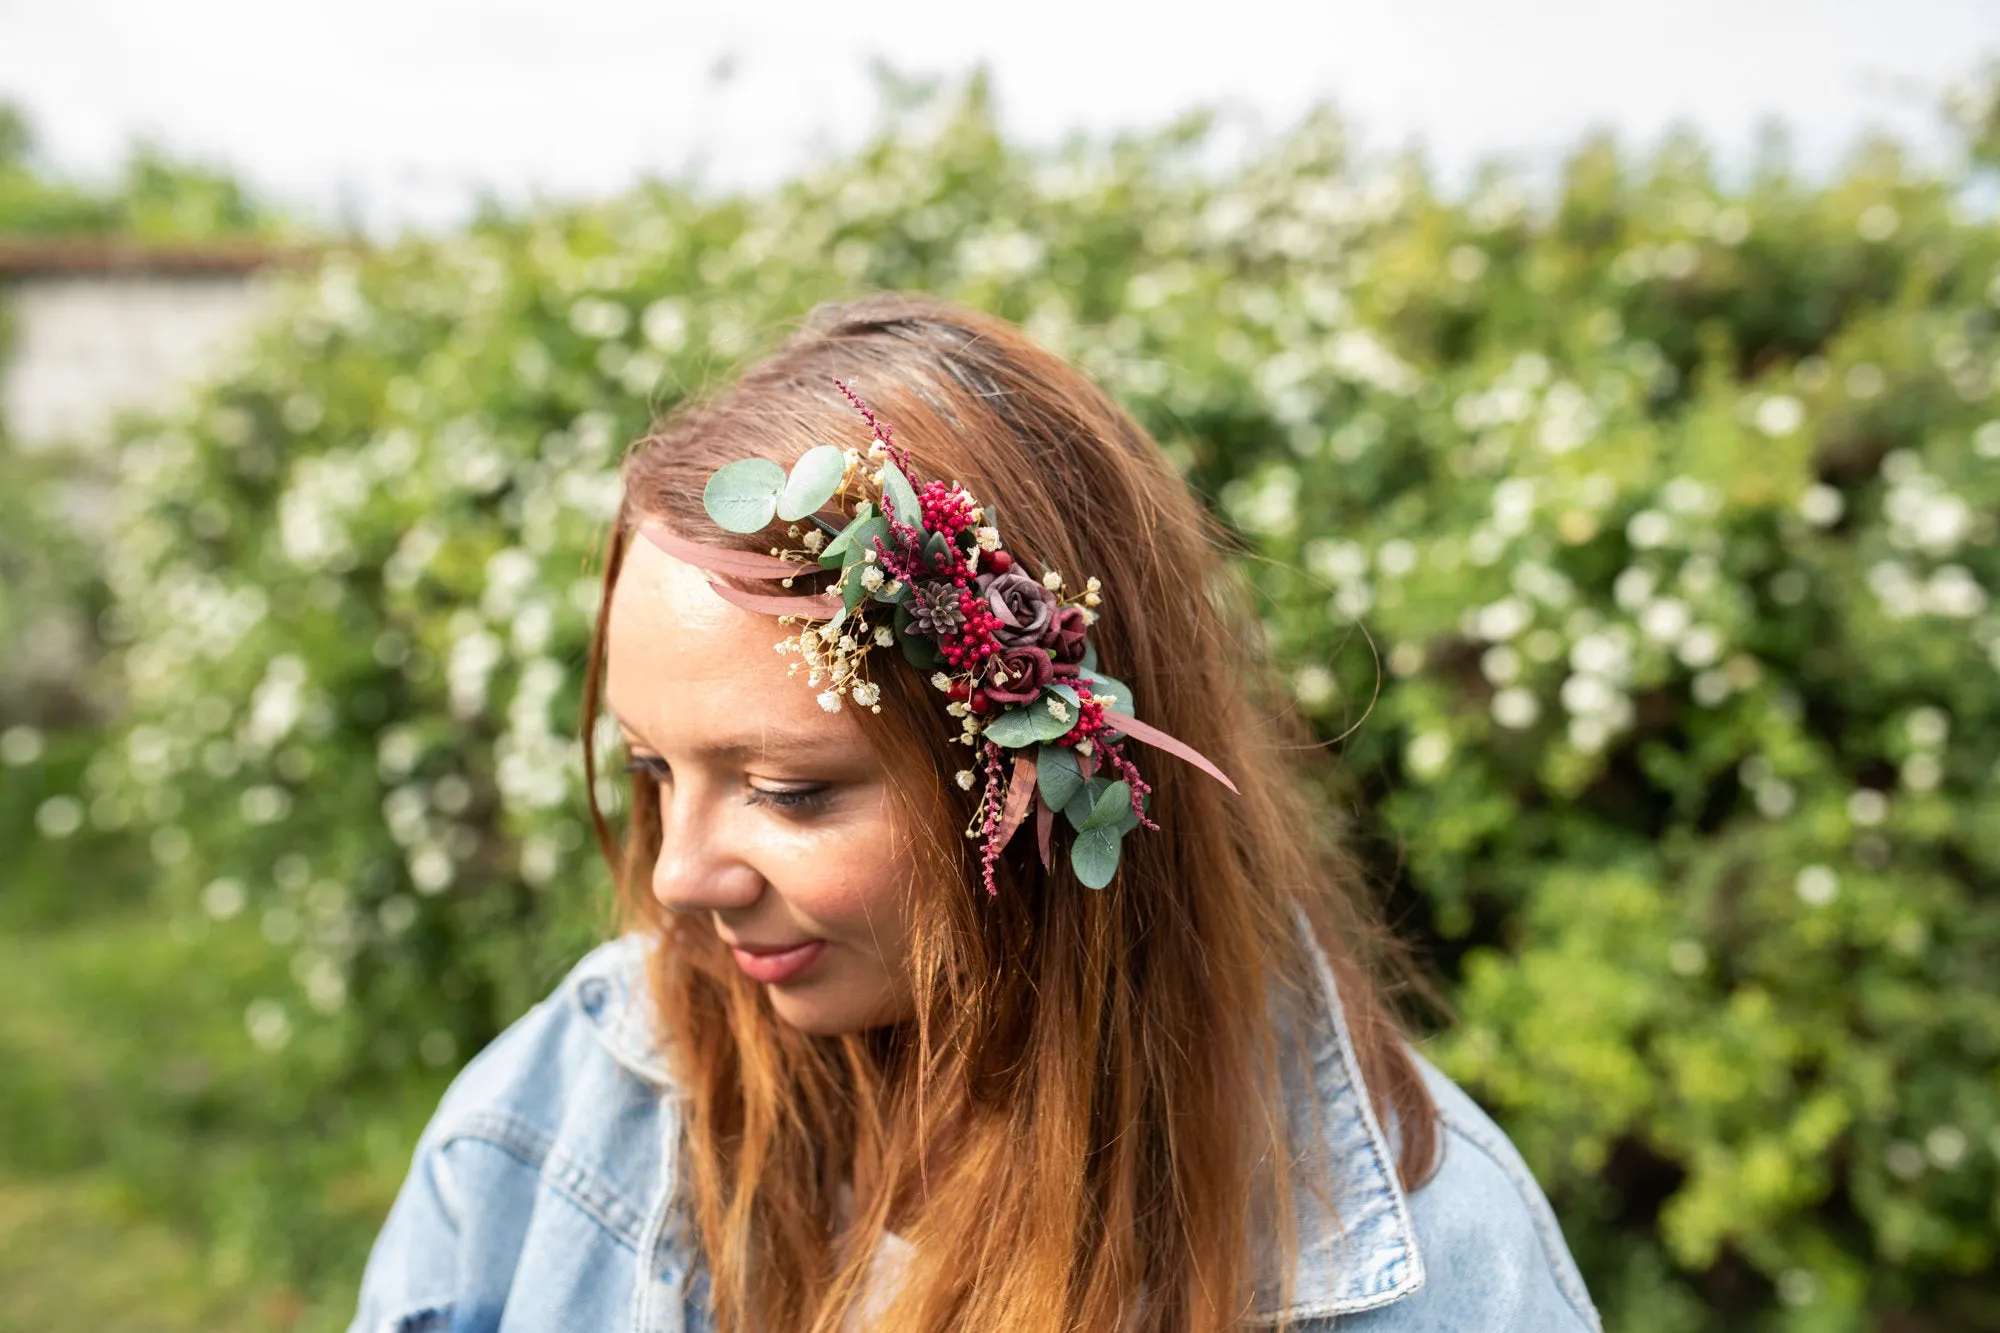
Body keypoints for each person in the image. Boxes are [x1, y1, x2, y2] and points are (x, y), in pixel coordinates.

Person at [347, 294, 1601, 1333]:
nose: (677, 876)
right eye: (650, 770)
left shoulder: (1437, 1268)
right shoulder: (566, 1100)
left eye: (789, 791)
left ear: (1047, 772)